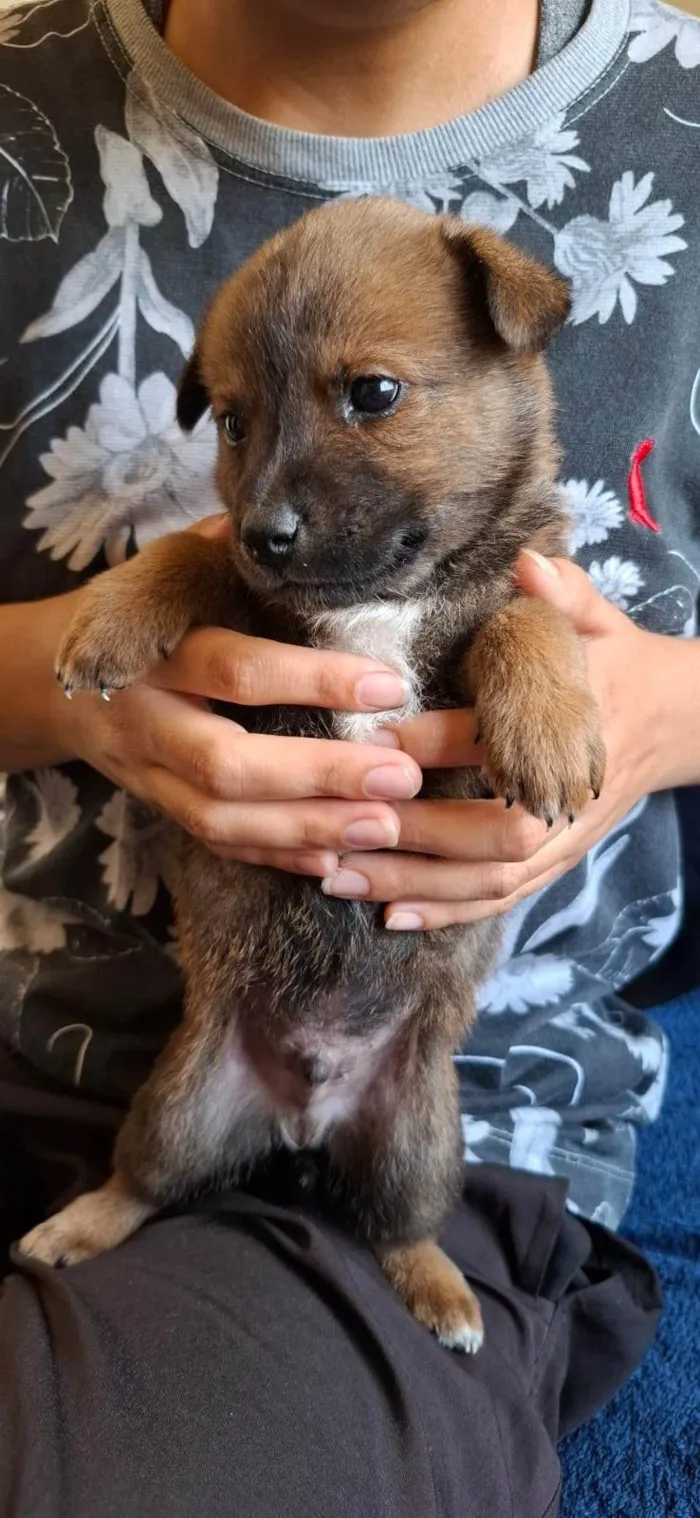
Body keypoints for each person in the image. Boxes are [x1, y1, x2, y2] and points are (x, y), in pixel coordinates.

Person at [0, 0, 696, 1512]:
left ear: (512, 338)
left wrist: (668, 707)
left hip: (448, 1066)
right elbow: (201, 555)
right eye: (244, 428)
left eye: (369, 399)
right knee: (165, 1150)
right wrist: (45, 678)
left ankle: (412, 1248)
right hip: (105, 1045)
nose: (273, 503)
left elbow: (517, 623)